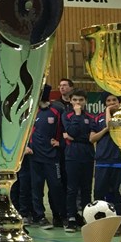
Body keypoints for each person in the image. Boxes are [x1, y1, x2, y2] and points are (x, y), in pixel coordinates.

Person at [28, 85, 65, 230]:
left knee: (56, 186)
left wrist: (59, 143)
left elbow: (65, 129)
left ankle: (58, 215)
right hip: (34, 156)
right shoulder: (30, 111)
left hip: (52, 157)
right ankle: (39, 216)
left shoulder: (57, 110)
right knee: (36, 187)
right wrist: (26, 146)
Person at [62, 89, 95, 232]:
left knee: (86, 188)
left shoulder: (90, 116)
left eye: (81, 100)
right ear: (70, 101)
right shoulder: (67, 115)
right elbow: (72, 132)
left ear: (85, 101)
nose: (78, 103)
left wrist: (74, 137)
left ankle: (86, 216)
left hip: (87, 153)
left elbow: (89, 137)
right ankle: (71, 218)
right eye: (75, 100)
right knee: (72, 188)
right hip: (72, 154)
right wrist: (76, 115)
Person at [92, 95, 121, 219]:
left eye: (114, 100)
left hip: (118, 162)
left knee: (119, 195)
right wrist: (104, 130)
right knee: (99, 193)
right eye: (108, 101)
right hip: (102, 161)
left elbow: (110, 125)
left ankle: (120, 222)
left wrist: (108, 114)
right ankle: (99, 221)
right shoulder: (97, 118)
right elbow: (92, 138)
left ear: (119, 102)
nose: (111, 103)